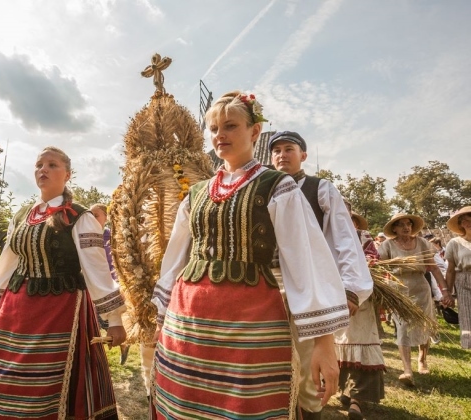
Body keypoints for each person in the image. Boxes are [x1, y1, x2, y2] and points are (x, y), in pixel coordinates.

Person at [151, 91, 350, 419]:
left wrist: (323, 343)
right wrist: (162, 318)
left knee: (246, 406)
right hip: (187, 323)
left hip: (250, 326)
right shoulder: (197, 193)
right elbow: (174, 259)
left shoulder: (277, 186)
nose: (220, 135)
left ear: (254, 131)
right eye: (214, 128)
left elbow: (306, 261)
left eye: (230, 126)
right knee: (184, 405)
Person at [0, 146, 126, 420]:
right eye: (39, 165)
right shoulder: (22, 215)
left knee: (51, 383)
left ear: (67, 174)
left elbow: (97, 269)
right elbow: (6, 263)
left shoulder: (80, 217)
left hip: (60, 312)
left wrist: (114, 319)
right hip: (15, 311)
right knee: (3, 380)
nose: (43, 170)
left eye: (52, 165)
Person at [269, 131, 374, 420]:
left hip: (308, 288)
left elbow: (344, 239)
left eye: (289, 148)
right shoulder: (263, 188)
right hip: (267, 287)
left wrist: (351, 289)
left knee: (307, 370)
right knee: (270, 367)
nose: (281, 155)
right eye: (276, 150)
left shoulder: (320, 188)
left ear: (303, 155)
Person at [378, 214, 454, 386]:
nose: (406, 227)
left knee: (424, 324)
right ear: (394, 229)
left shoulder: (422, 243)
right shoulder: (387, 245)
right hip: (398, 290)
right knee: (403, 326)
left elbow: (434, 269)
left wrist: (446, 292)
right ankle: (407, 369)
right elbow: (380, 267)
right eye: (402, 225)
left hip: (420, 287)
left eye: (409, 224)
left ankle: (422, 359)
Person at [338, 211, 386, 420]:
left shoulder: (362, 238)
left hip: (361, 298)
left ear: (356, 222)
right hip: (333, 298)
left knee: (362, 343)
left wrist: (363, 268)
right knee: (337, 346)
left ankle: (357, 400)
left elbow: (373, 260)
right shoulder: (325, 235)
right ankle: (345, 390)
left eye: (351, 218)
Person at [89, 203, 131, 365]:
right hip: (92, 286)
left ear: (105, 218)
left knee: (110, 322)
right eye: (90, 215)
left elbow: (118, 261)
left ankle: (123, 345)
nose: (92, 219)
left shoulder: (111, 237)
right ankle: (98, 357)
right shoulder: (85, 235)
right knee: (96, 322)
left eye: (96, 215)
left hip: (109, 285)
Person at [445, 206, 471, 349]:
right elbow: (450, 270)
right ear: (460, 224)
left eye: (470, 219)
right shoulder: (455, 243)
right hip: (464, 283)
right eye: (464, 220)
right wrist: (447, 292)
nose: (468, 223)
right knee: (467, 321)